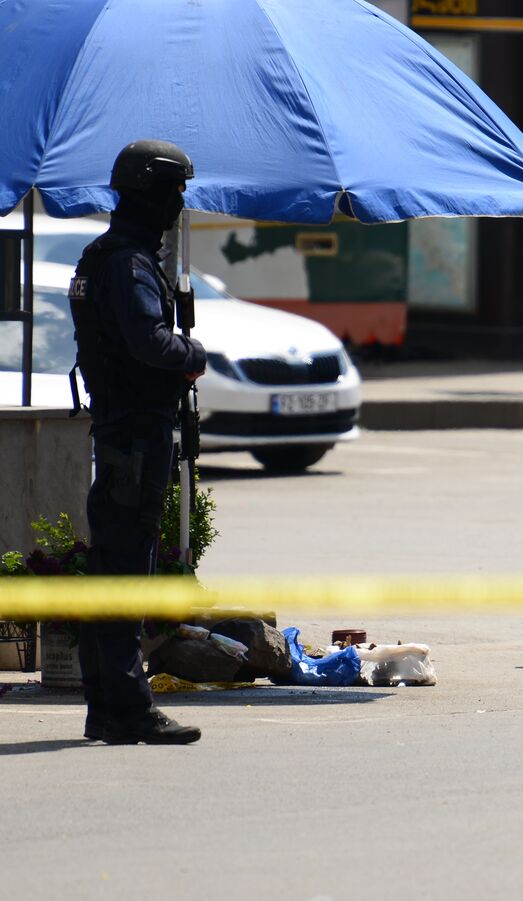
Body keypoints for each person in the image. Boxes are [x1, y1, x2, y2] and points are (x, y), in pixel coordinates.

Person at [68, 140, 207, 745]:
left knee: (113, 568)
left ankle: (108, 706)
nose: (178, 204)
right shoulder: (126, 263)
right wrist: (193, 355)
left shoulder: (106, 254)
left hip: (122, 428)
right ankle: (127, 709)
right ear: (150, 191)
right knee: (125, 568)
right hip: (134, 433)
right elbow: (149, 343)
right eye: (174, 191)